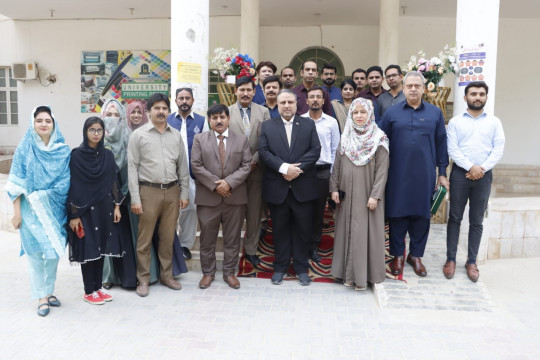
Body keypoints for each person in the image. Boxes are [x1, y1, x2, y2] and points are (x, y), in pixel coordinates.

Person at [380, 71, 449, 277]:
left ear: (423, 88)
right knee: (397, 215)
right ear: (403, 87)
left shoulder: (435, 113)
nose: (412, 89)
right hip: (397, 174)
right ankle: (397, 256)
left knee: (422, 215)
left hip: (425, 174)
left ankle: (416, 255)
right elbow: (381, 142)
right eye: (409, 85)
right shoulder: (392, 113)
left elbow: (441, 144)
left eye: (417, 86)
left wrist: (442, 173)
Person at [6, 105, 71, 317]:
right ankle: (42, 297)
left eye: (48, 121)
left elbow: (65, 182)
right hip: (29, 209)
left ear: (54, 124)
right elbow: (15, 182)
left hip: (53, 209)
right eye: (39, 120)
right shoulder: (25, 148)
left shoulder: (62, 151)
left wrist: (44, 196)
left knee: (52, 253)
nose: (43, 124)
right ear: (33, 124)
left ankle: (48, 291)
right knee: (35, 254)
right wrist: (16, 213)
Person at [127, 93, 190, 297]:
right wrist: (135, 198)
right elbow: (132, 168)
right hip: (148, 192)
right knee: (144, 239)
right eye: (157, 108)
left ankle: (166, 275)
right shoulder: (138, 135)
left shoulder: (175, 135)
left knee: (167, 236)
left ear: (168, 111)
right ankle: (143, 279)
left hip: (172, 192)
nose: (161, 112)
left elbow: (183, 166)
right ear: (149, 111)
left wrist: (184, 192)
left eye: (164, 108)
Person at [258, 89, 321, 286]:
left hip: (303, 187)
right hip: (278, 188)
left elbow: (315, 150)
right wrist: (283, 168)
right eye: (283, 102)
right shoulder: (267, 126)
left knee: (303, 230)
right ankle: (280, 267)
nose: (286, 106)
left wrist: (296, 170)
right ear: (277, 104)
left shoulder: (308, 124)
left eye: (290, 102)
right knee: (280, 230)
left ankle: (302, 268)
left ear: (296, 104)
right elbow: (263, 151)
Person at [444, 81, 505, 282]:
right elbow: (452, 149)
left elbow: (498, 149)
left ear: (486, 97)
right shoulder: (455, 122)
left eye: (481, 94)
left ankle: (471, 261)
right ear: (465, 98)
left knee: (477, 221)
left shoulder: (494, 122)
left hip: (484, 176)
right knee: (454, 218)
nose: (477, 97)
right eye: (473, 94)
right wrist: (471, 167)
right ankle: (451, 259)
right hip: (460, 174)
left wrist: (482, 168)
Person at [330, 98, 389, 291]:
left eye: (363, 112)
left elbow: (382, 171)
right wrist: (334, 188)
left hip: (367, 196)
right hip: (347, 194)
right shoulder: (346, 136)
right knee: (347, 231)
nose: (359, 116)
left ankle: (363, 277)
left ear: (370, 114)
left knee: (363, 234)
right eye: (355, 112)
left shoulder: (379, 138)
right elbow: (337, 165)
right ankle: (346, 274)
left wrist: (375, 195)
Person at [191, 104, 252, 289]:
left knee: (232, 238)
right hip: (208, 199)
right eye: (214, 117)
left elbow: (247, 165)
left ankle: (229, 273)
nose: (219, 120)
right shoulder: (200, 139)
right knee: (207, 239)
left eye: (222, 117)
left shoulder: (241, 140)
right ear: (209, 120)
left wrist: (229, 183)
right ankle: (208, 273)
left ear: (228, 119)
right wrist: (217, 185)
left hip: (235, 197)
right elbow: (196, 165)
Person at [68, 117, 125, 305]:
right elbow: (74, 186)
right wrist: (74, 215)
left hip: (104, 208)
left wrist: (117, 206)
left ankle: (98, 287)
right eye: (92, 130)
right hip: (85, 210)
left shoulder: (107, 155)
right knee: (88, 248)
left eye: (99, 130)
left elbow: (114, 181)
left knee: (101, 248)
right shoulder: (77, 155)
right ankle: (88, 290)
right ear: (85, 132)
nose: (96, 134)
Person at [228, 76, 271, 266]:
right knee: (234, 214)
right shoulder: (226, 112)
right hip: (232, 172)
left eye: (249, 90)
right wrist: (241, 164)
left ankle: (251, 250)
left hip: (257, 170)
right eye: (241, 89)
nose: (245, 93)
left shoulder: (264, 112)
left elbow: (266, 140)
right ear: (235, 91)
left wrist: (252, 161)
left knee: (254, 214)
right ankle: (232, 251)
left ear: (254, 92)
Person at [167, 87, 209, 259]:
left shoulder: (201, 121)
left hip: (192, 175)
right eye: (181, 98)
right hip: (170, 174)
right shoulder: (168, 120)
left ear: (192, 100)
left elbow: (207, 147)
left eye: (187, 98)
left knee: (189, 210)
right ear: (175, 100)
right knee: (169, 212)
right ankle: (169, 245)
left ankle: (184, 246)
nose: (184, 101)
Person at [100, 99, 137, 289]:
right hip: (103, 200)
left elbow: (133, 169)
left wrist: (120, 197)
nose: (112, 119)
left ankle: (127, 276)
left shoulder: (130, 138)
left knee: (125, 237)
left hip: (125, 197)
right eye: (108, 115)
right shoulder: (97, 139)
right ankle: (107, 276)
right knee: (107, 238)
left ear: (123, 117)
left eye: (116, 115)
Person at [301, 86, 340, 262]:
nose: (315, 99)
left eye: (319, 97)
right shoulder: (299, 121)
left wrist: (332, 176)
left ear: (323, 101)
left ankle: (314, 246)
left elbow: (335, 150)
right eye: (312, 97)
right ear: (307, 100)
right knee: (302, 211)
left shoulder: (331, 122)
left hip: (323, 172)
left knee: (318, 212)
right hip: (303, 173)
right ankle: (301, 244)